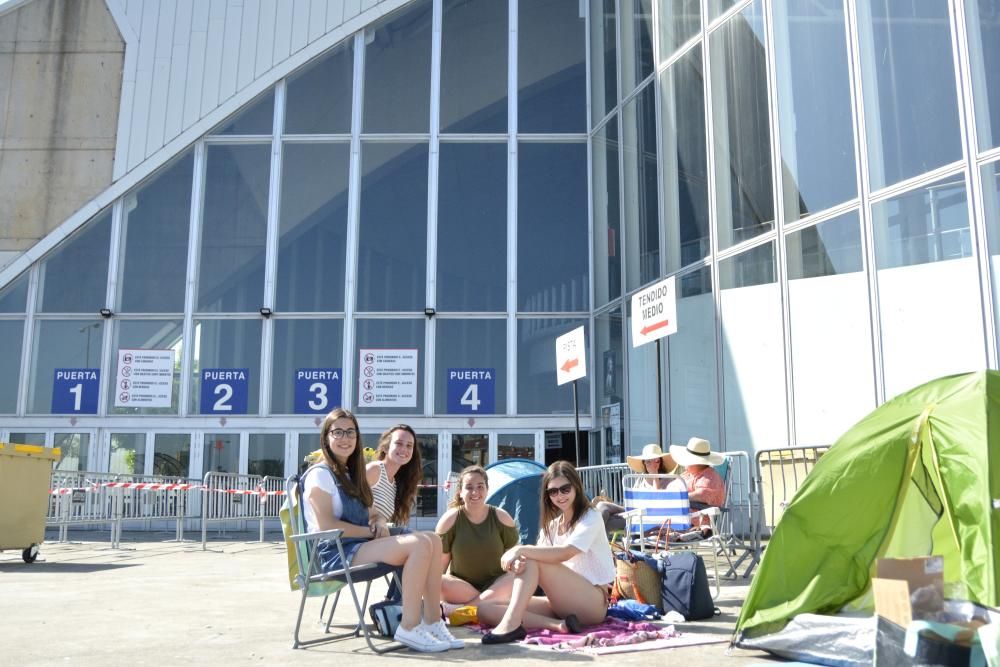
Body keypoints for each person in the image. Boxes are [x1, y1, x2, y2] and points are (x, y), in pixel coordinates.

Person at [301, 408, 463, 653]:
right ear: (326, 438)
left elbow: (369, 510)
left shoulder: (347, 474)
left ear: (357, 438)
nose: (345, 438)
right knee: (418, 543)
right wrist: (370, 531)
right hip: (334, 554)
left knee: (432, 539)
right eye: (338, 432)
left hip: (356, 546)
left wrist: (376, 520)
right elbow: (327, 527)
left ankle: (432, 621)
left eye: (350, 432)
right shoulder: (319, 476)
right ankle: (408, 626)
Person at [477, 461, 615, 645]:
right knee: (485, 608)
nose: (560, 495)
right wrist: (520, 565)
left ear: (576, 487)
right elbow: (537, 560)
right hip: (561, 604)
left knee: (533, 557)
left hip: (592, 603)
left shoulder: (590, 516)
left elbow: (565, 553)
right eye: (553, 491)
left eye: (565, 489)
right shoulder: (552, 525)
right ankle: (558, 625)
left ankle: (511, 625)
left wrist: (520, 549)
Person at [435, 465, 520, 606]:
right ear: (461, 492)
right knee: (438, 581)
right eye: (469, 487)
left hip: (497, 586)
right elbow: (440, 567)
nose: (475, 492)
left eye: (480, 486)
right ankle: (487, 605)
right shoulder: (449, 520)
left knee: (518, 576)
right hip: (462, 589)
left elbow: (513, 561)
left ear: (487, 490)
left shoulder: (502, 517)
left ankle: (467, 609)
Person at [595, 443, 677, 533]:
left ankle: (591, 543)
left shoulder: (668, 480)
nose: (652, 464)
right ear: (644, 463)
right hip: (634, 511)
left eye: (656, 461)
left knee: (606, 523)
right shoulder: (642, 478)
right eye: (648, 461)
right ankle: (592, 541)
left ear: (661, 462)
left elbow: (656, 503)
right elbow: (632, 501)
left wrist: (655, 476)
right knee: (602, 505)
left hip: (648, 518)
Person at [365, 424, 421, 531]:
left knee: (431, 538)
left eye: (409, 445)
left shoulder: (395, 484)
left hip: (376, 538)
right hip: (360, 538)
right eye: (399, 443)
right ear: (386, 448)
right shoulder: (375, 469)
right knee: (423, 539)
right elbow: (351, 504)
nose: (404, 449)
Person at [669, 436, 726, 529]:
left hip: (695, 522)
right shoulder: (688, 474)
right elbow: (671, 487)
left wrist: (676, 497)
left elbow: (702, 495)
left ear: (698, 462)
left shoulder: (710, 476)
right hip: (677, 517)